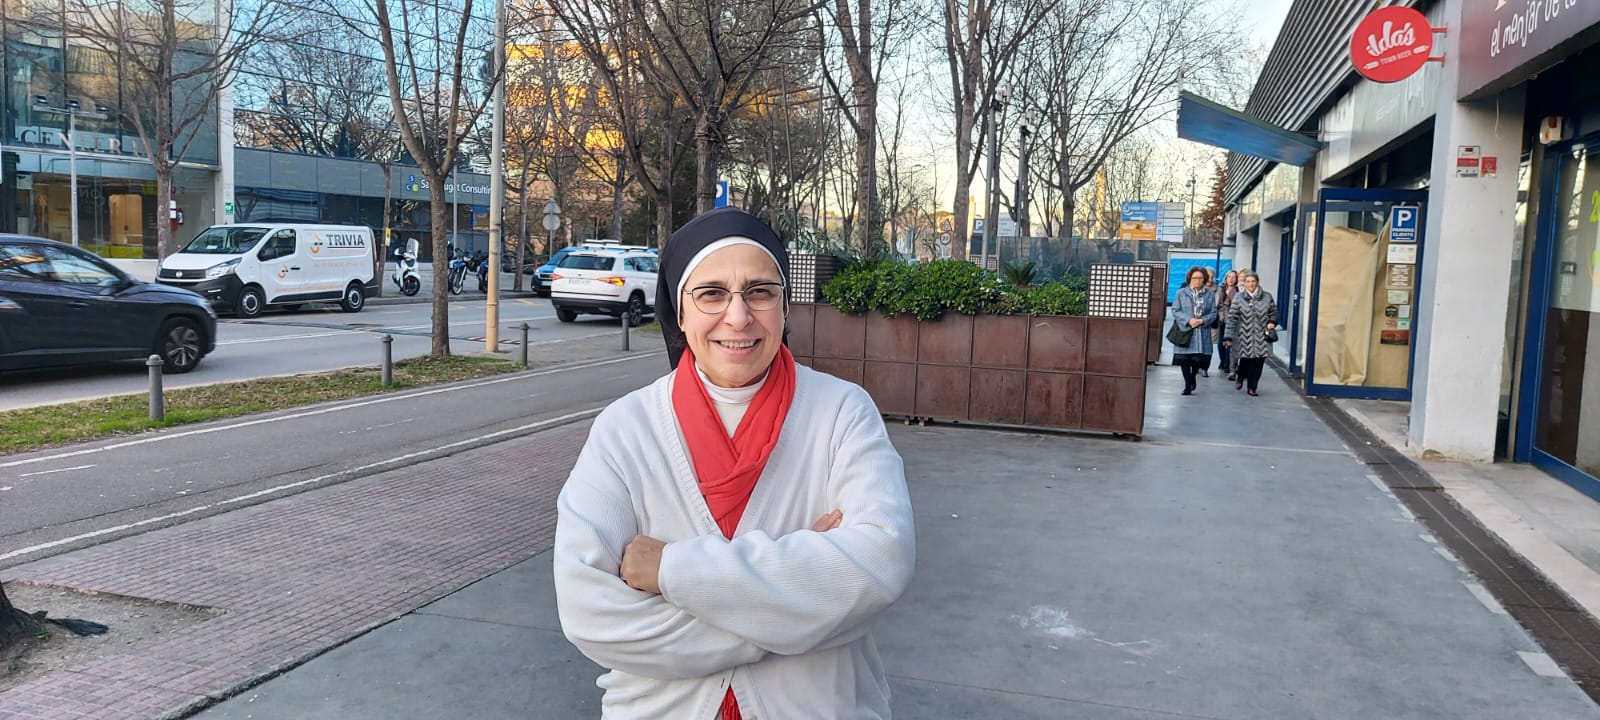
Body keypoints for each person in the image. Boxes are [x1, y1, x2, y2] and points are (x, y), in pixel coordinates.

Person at [553, 207, 917, 719]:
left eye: (761, 292)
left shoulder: (840, 413)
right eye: (712, 294)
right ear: (679, 313)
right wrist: (800, 602)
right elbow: (588, 612)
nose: (739, 316)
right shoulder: (627, 429)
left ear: (785, 308)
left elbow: (880, 565)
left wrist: (671, 571)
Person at [1223, 272, 1278, 397]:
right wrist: (1228, 336)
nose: (1251, 284)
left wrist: (1272, 322)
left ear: (1257, 282)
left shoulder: (1267, 297)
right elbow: (1232, 317)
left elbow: (1274, 313)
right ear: (1244, 283)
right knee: (1245, 360)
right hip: (1243, 335)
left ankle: (1252, 387)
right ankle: (1240, 377)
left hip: (1262, 335)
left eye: (1253, 281)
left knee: (1258, 362)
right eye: (1248, 282)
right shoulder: (1238, 297)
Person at [1171, 267, 1216, 396]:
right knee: (1185, 359)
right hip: (1185, 330)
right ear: (1190, 279)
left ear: (1205, 280)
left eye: (1200, 278)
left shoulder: (1209, 294)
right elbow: (1175, 310)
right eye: (1195, 278)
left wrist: (1202, 320)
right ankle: (1187, 384)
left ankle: (1193, 376)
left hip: (1202, 330)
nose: (1197, 281)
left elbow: (1213, 312)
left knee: (1198, 359)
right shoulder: (1181, 293)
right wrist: (1188, 320)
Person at [1216, 270, 1240, 380]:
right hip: (1221, 319)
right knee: (1221, 343)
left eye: (1233, 277)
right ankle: (1222, 361)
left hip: (1232, 320)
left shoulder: (1238, 291)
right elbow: (1217, 304)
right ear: (1226, 278)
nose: (1231, 279)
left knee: (1230, 344)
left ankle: (1227, 365)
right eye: (1229, 277)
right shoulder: (1220, 289)